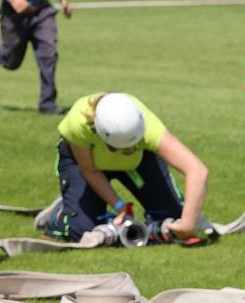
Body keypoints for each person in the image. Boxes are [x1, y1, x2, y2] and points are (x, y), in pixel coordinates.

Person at [44, 92, 209, 243]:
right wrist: (119, 206)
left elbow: (197, 170)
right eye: (119, 147)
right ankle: (62, 212)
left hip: (137, 163)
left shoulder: (147, 124)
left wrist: (187, 224)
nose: (127, 151)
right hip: (88, 164)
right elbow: (90, 171)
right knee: (81, 231)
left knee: (174, 217)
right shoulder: (78, 123)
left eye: (133, 144)